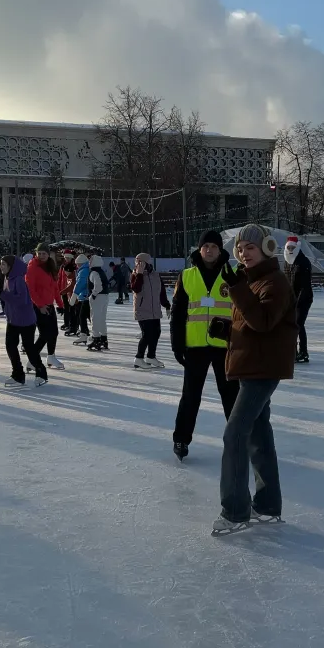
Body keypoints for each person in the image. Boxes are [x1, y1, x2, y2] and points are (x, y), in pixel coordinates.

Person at [212, 224, 297, 535]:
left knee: (234, 435)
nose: (242, 253)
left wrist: (238, 290)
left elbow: (262, 322)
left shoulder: (275, 283)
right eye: (239, 248)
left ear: (267, 249)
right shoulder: (255, 282)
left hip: (262, 371)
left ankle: (235, 511)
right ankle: (267, 506)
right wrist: (227, 330)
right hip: (253, 366)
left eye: (249, 247)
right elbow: (255, 326)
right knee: (258, 437)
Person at [170, 229, 239, 461]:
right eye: (205, 246)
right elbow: (177, 313)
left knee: (231, 394)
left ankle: (240, 437)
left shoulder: (233, 273)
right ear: (199, 249)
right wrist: (177, 344)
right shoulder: (187, 276)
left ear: (221, 250)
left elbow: (242, 311)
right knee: (190, 396)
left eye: (214, 247)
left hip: (225, 345)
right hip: (196, 346)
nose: (209, 250)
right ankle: (181, 439)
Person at [0, 255, 48, 388]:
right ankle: (18, 374)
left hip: (26, 320)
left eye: (4, 264)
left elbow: (21, 301)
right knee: (10, 346)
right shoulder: (7, 278)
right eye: (1, 264)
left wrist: (3, 294)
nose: (1, 266)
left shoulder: (19, 280)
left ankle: (41, 373)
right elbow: (8, 300)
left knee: (29, 348)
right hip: (13, 319)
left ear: (11, 266)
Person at [25, 243, 65, 370]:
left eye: (44, 253)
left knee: (54, 332)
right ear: (36, 254)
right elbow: (30, 289)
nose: (42, 256)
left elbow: (55, 287)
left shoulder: (50, 267)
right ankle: (32, 360)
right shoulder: (32, 267)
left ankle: (51, 357)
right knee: (45, 334)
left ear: (48, 255)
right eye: (39, 253)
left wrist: (60, 304)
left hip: (49, 305)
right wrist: (40, 305)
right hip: (37, 306)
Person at [131, 252, 170, 369]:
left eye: (140, 262)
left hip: (154, 310)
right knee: (147, 335)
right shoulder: (135, 275)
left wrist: (167, 305)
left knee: (156, 333)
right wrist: (139, 274)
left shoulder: (156, 275)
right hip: (142, 309)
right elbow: (136, 288)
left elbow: (161, 292)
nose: (138, 264)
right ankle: (139, 358)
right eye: (137, 262)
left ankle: (151, 357)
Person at [283, 235, 313, 362]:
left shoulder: (303, 262)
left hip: (303, 298)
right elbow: (286, 282)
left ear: (297, 247)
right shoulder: (287, 262)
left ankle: (302, 352)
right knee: (292, 325)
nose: (290, 249)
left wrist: (298, 301)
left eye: (292, 247)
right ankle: (294, 352)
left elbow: (305, 285)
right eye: (288, 247)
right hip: (292, 298)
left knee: (298, 324)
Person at [87, 253, 110, 351]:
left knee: (95, 318)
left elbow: (98, 286)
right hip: (105, 296)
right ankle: (104, 338)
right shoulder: (101, 272)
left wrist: (93, 295)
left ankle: (96, 338)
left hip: (98, 297)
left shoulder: (94, 273)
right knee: (102, 318)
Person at [67, 254, 91, 343]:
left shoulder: (83, 271)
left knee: (82, 316)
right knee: (87, 316)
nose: (76, 266)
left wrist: (75, 294)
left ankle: (85, 334)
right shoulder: (86, 269)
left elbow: (80, 283)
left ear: (80, 263)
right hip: (85, 296)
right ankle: (95, 334)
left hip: (85, 297)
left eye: (77, 264)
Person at [57, 250, 76, 332]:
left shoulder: (74, 266)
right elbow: (60, 277)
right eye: (65, 257)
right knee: (66, 307)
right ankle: (66, 322)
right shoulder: (62, 266)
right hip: (63, 288)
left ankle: (73, 324)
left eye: (68, 257)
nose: (67, 259)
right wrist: (58, 288)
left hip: (70, 289)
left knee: (72, 308)